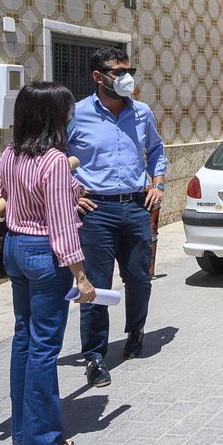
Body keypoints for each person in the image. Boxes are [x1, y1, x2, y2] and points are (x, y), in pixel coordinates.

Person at [0, 81, 96, 445]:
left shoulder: (10, 155)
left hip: (16, 249)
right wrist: (81, 275)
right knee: (45, 346)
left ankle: (21, 430)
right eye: (66, 111)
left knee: (24, 337)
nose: (70, 117)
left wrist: (66, 190)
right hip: (44, 254)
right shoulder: (52, 160)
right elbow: (62, 224)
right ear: (54, 116)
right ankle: (42, 439)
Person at [68, 46, 167, 387]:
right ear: (98, 77)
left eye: (129, 71)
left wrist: (159, 184)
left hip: (137, 205)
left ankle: (136, 331)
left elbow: (156, 150)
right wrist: (71, 192)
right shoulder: (76, 114)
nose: (126, 78)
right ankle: (94, 356)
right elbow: (54, 156)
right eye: (118, 72)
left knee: (139, 277)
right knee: (95, 285)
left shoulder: (141, 113)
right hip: (96, 210)